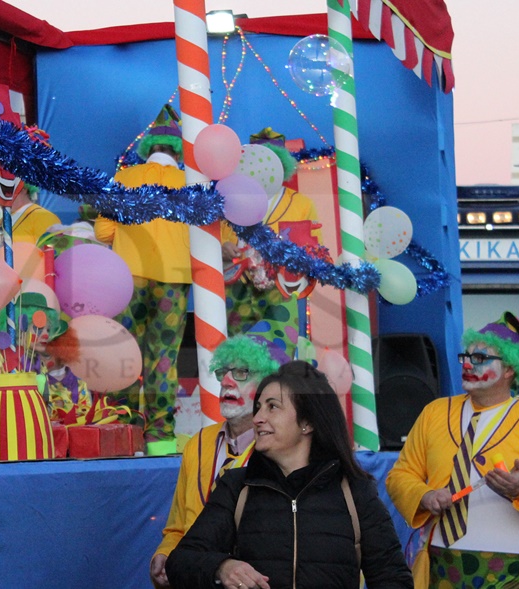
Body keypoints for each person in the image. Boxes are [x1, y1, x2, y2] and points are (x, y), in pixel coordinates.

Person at [165, 361, 413, 589]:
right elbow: (181, 561)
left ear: (307, 422)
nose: (258, 418)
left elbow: (393, 579)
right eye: (259, 407)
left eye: (273, 407)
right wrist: (221, 567)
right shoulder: (237, 487)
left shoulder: (355, 491)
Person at [386, 312, 519, 589]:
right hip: (442, 559)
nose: (467, 365)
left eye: (480, 359)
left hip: (513, 564)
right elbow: (399, 475)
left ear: (509, 369)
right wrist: (424, 495)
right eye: (466, 357)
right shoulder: (435, 413)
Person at [95, 104, 191, 453]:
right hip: (174, 280)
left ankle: (122, 430)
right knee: (163, 356)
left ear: (147, 146)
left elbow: (104, 231)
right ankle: (160, 438)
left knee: (124, 351)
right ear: (180, 149)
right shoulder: (190, 182)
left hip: (128, 277)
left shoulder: (125, 178)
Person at [149, 335, 280, 588]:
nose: (228, 382)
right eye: (223, 372)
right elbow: (177, 526)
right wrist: (165, 553)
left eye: (242, 372)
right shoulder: (197, 444)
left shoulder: (275, 446)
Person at [222, 127, 323, 334]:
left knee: (279, 347)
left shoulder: (301, 204)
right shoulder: (228, 199)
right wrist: (223, 247)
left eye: (270, 162)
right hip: (236, 285)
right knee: (234, 348)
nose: (262, 169)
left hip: (281, 288)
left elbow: (315, 251)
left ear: (282, 165)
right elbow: (216, 239)